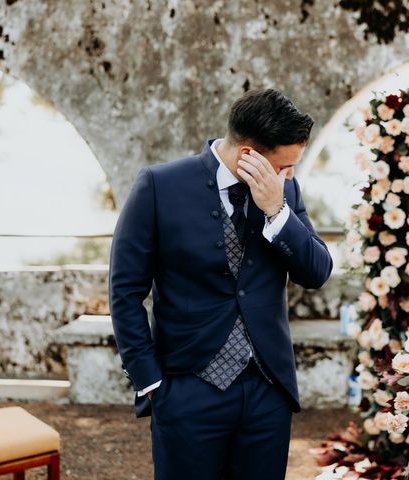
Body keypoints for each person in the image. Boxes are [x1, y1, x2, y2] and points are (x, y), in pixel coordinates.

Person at [108, 88, 333, 480]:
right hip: (186, 392)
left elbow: (316, 272)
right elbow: (125, 292)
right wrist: (151, 384)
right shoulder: (159, 186)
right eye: (283, 166)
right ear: (249, 155)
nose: (290, 175)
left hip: (267, 393)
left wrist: (276, 211)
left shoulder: (285, 192)